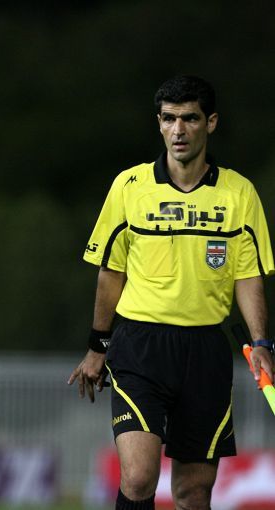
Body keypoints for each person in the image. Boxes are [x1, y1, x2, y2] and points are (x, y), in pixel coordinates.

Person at [68, 75, 275, 509]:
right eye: (169, 119)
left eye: (190, 119)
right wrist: (97, 346)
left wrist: (260, 342)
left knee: (193, 492)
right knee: (139, 477)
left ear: (210, 122)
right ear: (159, 123)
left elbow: (248, 276)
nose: (178, 130)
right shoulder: (130, 186)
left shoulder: (239, 193)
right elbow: (110, 273)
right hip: (140, 347)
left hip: (205, 351)